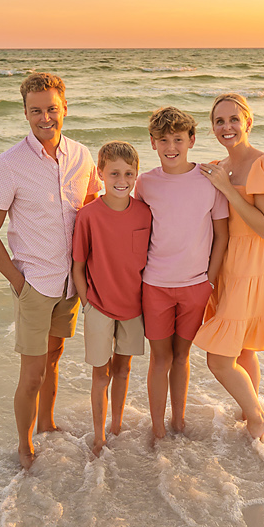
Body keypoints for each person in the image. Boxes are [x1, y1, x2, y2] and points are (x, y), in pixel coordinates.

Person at [0, 72, 100, 470]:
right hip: (35, 285)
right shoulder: (8, 165)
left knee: (55, 358)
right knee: (31, 373)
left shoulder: (82, 156)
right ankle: (24, 445)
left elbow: (96, 210)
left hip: (70, 286)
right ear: (25, 112)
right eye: (36, 111)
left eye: (51, 109)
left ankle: (47, 424)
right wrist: (19, 281)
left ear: (64, 108)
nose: (44, 118)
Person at [194, 92, 264, 441]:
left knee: (219, 358)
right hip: (228, 262)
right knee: (244, 346)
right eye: (219, 121)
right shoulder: (221, 166)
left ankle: (256, 417)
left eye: (234, 119)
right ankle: (248, 411)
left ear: (248, 122)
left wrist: (228, 189)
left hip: (255, 264)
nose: (227, 127)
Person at [134, 106, 231, 443]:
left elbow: (222, 234)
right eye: (163, 140)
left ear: (191, 139)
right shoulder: (145, 183)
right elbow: (136, 231)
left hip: (196, 286)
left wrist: (210, 280)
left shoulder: (208, 180)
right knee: (160, 358)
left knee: (182, 356)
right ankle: (158, 429)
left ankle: (178, 421)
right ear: (152, 143)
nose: (170, 147)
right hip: (155, 285)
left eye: (177, 139)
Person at [72, 141, 151, 456]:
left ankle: (116, 425)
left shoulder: (145, 213)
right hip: (99, 308)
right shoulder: (88, 216)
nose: (122, 180)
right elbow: (78, 267)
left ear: (136, 175)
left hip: (134, 308)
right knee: (100, 372)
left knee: (123, 369)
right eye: (114, 173)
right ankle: (99, 434)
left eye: (129, 173)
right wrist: (88, 305)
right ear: (100, 174)